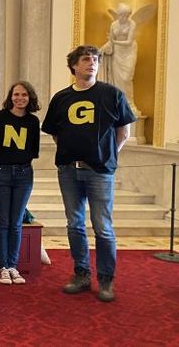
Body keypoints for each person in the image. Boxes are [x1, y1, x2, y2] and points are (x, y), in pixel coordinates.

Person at [42, 45, 135, 302]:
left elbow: (123, 131)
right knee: (74, 224)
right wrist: (73, 154)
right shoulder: (61, 98)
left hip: (100, 172)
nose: (92, 63)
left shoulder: (112, 94)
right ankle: (81, 274)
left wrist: (107, 156)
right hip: (69, 171)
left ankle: (106, 279)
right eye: (86, 59)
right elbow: (55, 131)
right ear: (74, 66)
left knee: (103, 227)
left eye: (95, 59)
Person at [0, 81, 41, 285]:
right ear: (10, 97)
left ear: (29, 97)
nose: (19, 98)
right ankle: (3, 267)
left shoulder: (32, 122)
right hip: (0, 174)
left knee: (16, 223)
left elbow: (32, 152)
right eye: (16, 94)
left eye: (24, 94)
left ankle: (13, 266)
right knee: (3, 222)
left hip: (24, 175)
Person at [100, 3, 141, 116]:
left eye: (125, 15)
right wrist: (105, 47)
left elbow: (129, 42)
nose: (123, 17)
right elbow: (111, 40)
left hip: (129, 51)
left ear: (128, 15)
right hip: (117, 53)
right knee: (117, 78)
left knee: (126, 78)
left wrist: (114, 42)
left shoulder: (132, 23)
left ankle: (129, 103)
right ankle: (118, 102)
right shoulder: (114, 24)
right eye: (121, 15)